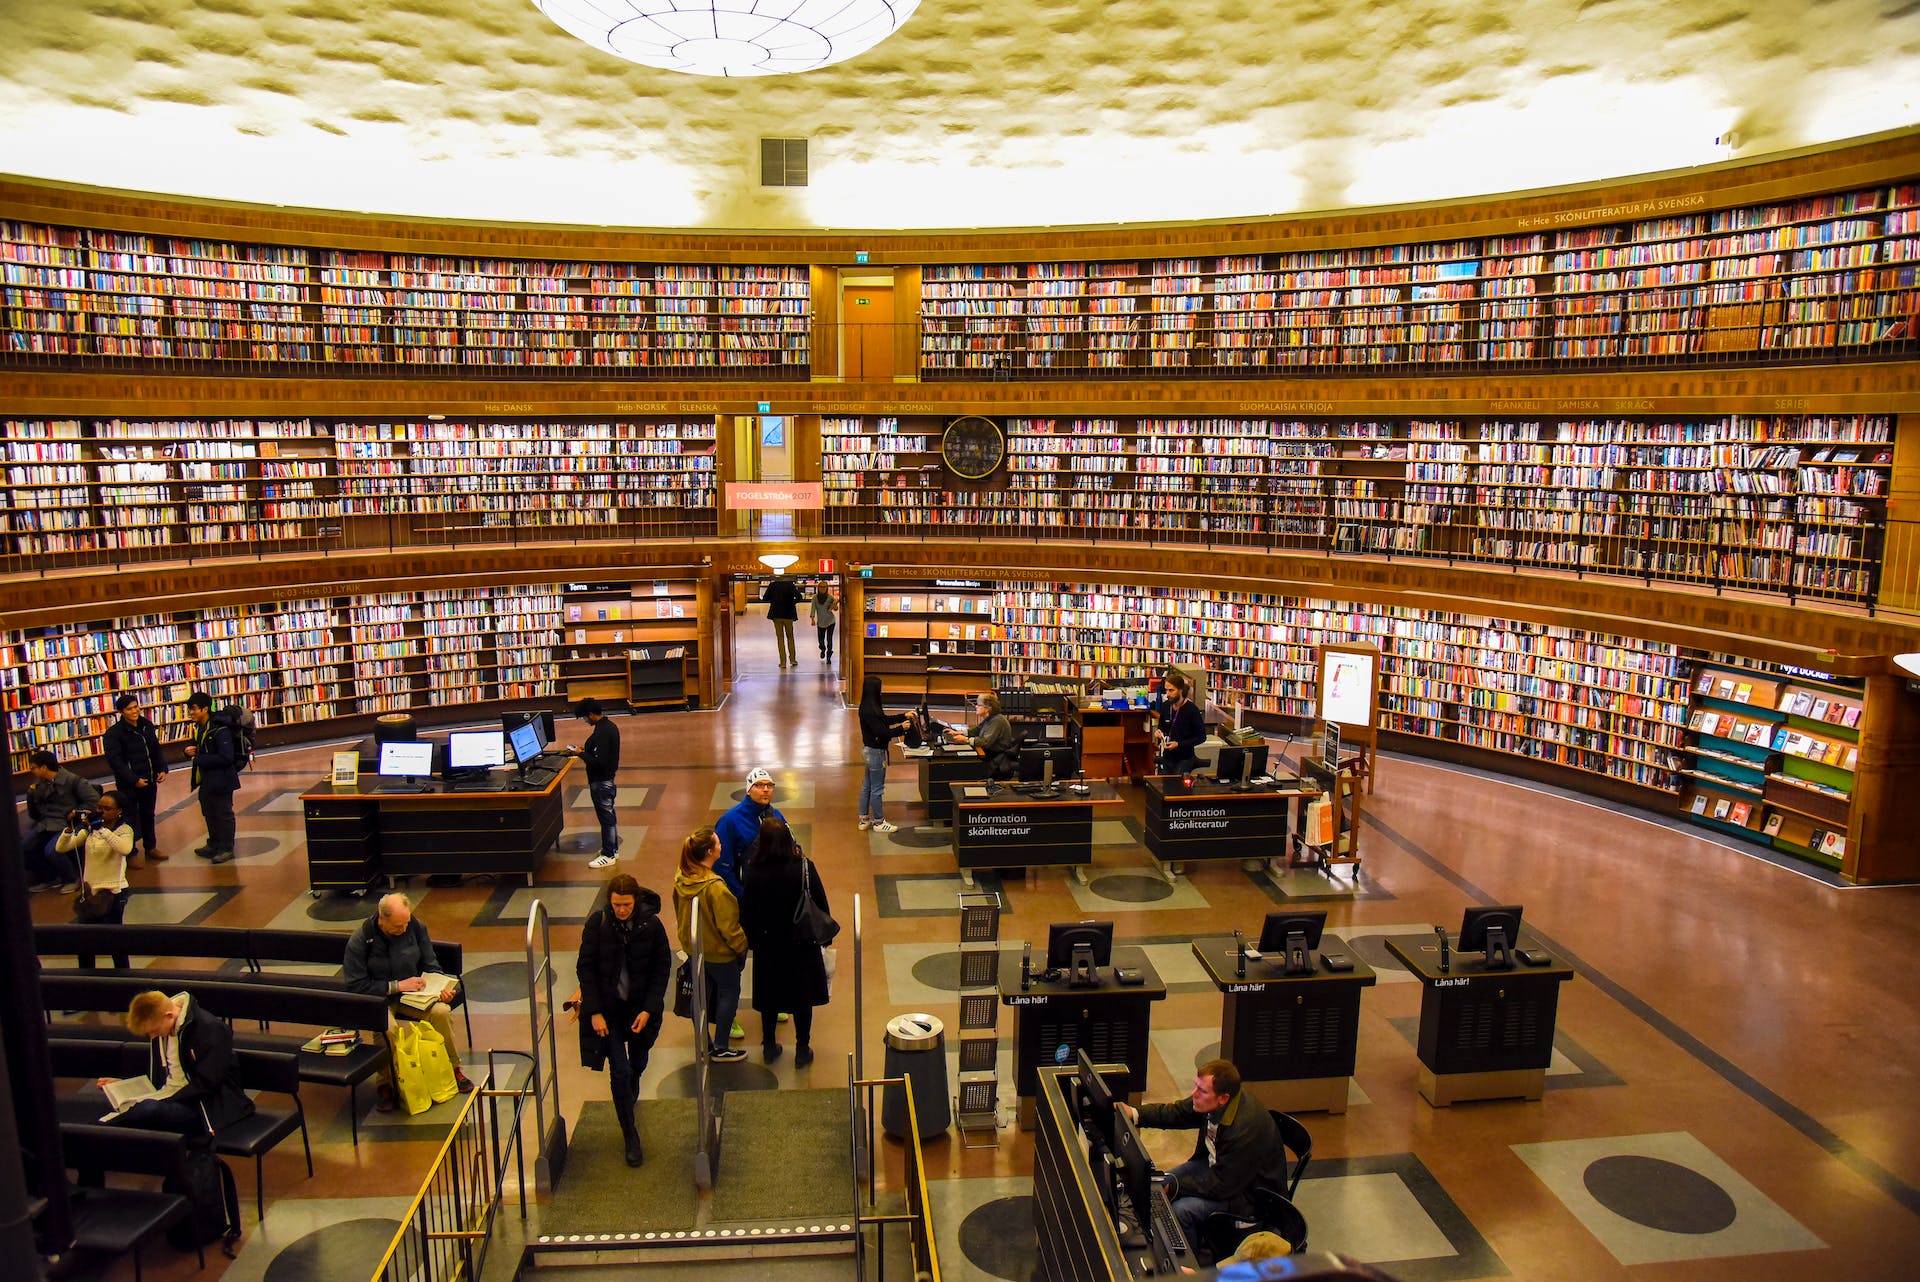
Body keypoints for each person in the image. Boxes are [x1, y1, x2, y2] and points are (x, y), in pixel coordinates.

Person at [1122, 1059, 1288, 1251]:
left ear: (1223, 1098)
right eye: (1195, 1087)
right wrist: (1134, 1113)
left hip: (1247, 1196)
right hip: (1218, 1167)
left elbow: (1222, 1186)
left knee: (1181, 1211)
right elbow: (1178, 1113)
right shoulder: (1214, 1103)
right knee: (1160, 1183)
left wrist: (1177, 1187)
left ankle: (1189, 1267)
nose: (1194, 1094)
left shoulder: (1243, 1131)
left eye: (1202, 1091)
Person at [344, 892, 474, 1110]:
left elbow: (430, 963)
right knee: (387, 1028)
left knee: (441, 1011)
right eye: (397, 926)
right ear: (381, 919)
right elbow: (355, 985)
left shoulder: (414, 926)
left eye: (405, 923)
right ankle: (385, 1083)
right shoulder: (360, 940)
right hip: (379, 998)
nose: (403, 930)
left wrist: (439, 988)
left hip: (414, 996)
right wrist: (397, 986)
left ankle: (453, 1068)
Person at [577, 872, 671, 1165]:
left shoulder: (653, 927)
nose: (621, 910)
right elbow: (586, 969)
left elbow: (661, 968)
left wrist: (649, 1009)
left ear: (636, 901)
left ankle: (628, 1100)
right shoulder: (598, 924)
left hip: (641, 1010)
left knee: (637, 1064)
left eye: (626, 904)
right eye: (616, 904)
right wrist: (593, 1012)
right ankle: (630, 1133)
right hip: (610, 1013)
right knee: (619, 1070)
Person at [97, 989, 253, 1138]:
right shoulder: (163, 1028)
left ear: (169, 1015)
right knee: (135, 1111)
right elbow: (167, 1076)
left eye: (154, 1030)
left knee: (145, 1110)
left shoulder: (210, 1029)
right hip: (173, 1096)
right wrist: (127, 1086)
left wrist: (163, 1099)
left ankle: (100, 1129)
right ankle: (99, 1132)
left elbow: (208, 1083)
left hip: (205, 1106)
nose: (152, 1036)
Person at [740, 815, 831, 1067]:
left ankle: (769, 1045)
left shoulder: (754, 871)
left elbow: (747, 910)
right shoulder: (803, 866)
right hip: (800, 942)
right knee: (802, 996)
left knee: (769, 995)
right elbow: (820, 903)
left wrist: (753, 939)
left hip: (768, 945)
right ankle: (802, 1047)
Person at [672, 827, 750, 1063]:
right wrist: (741, 946)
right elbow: (729, 926)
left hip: (695, 949)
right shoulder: (715, 887)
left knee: (700, 996)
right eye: (717, 844)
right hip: (720, 953)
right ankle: (722, 1046)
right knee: (729, 993)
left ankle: (703, 1042)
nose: (721, 846)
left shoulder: (682, 878)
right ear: (709, 852)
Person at [56, 789, 134, 970]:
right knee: (84, 942)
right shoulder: (90, 829)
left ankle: (124, 977)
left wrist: (102, 829)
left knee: (115, 943)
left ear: (118, 811)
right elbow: (62, 848)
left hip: (113, 892)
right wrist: (69, 828)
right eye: (99, 807)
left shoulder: (124, 830)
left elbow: (125, 849)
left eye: (107, 808)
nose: (102, 811)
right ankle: (86, 978)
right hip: (90, 893)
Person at [102, 694, 169, 864]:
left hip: (149, 779)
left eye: (136, 707)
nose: (134, 711)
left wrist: (161, 768)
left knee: (148, 814)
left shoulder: (146, 725)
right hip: (129, 784)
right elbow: (116, 762)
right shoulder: (114, 734)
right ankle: (130, 852)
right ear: (121, 712)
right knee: (129, 817)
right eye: (129, 708)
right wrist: (133, 779)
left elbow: (155, 749)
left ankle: (150, 847)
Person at [22, 750, 97, 892]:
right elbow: (35, 813)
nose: (31, 771)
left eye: (33, 768)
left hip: (68, 824)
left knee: (53, 850)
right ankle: (50, 878)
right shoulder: (40, 785)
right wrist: (31, 794)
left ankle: (72, 878)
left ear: (44, 767)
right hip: (47, 823)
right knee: (25, 847)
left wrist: (76, 811)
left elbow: (93, 801)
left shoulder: (73, 780)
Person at [183, 690, 239, 864]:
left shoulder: (220, 729)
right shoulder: (200, 727)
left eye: (194, 709)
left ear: (205, 709)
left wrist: (199, 757)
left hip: (222, 780)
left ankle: (226, 848)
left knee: (223, 814)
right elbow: (198, 747)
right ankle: (214, 843)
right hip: (207, 780)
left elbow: (226, 757)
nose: (191, 713)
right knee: (209, 812)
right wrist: (187, 752)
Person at [567, 697, 622, 869]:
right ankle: (611, 847)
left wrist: (580, 754)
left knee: (606, 818)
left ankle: (608, 854)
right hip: (605, 780)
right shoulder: (606, 727)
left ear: (591, 714)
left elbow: (600, 762)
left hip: (601, 782)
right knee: (609, 816)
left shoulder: (603, 732)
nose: (584, 721)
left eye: (584, 717)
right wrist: (586, 750)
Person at [857, 675, 913, 832]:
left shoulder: (869, 706)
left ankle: (863, 819)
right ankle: (879, 822)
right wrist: (902, 728)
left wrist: (903, 716)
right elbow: (882, 732)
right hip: (875, 753)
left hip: (869, 751)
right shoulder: (869, 710)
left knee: (867, 786)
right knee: (877, 788)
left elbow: (884, 721)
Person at [946, 692, 1018, 780]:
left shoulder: (997, 721)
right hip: (990, 754)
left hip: (995, 758)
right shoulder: (990, 718)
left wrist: (966, 740)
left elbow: (985, 742)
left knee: (964, 763)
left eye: (979, 705)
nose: (976, 707)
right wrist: (957, 733)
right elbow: (977, 730)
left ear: (988, 708)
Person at [1155, 671, 1207, 775]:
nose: (1168, 694)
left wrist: (1179, 744)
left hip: (1185, 758)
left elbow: (1201, 737)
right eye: (1166, 690)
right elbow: (1163, 726)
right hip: (1168, 756)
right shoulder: (1166, 706)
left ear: (1180, 690)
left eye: (1171, 690)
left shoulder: (1192, 710)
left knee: (1178, 787)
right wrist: (1159, 731)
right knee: (1165, 787)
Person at [762, 573, 801, 669]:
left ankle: (782, 662)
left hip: (776, 614)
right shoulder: (790, 585)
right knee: (790, 637)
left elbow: (765, 598)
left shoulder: (772, 585)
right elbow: (799, 597)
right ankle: (793, 659)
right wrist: (792, 603)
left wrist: (774, 600)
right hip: (788, 614)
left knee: (780, 638)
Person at [810, 584, 837, 662]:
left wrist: (835, 605)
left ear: (827, 588)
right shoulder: (815, 597)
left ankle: (829, 655)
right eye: (821, 587)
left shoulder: (830, 597)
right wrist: (812, 618)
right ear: (818, 588)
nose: (822, 589)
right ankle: (822, 649)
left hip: (830, 621)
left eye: (824, 587)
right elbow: (813, 608)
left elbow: (835, 609)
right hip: (821, 622)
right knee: (821, 640)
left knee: (829, 639)